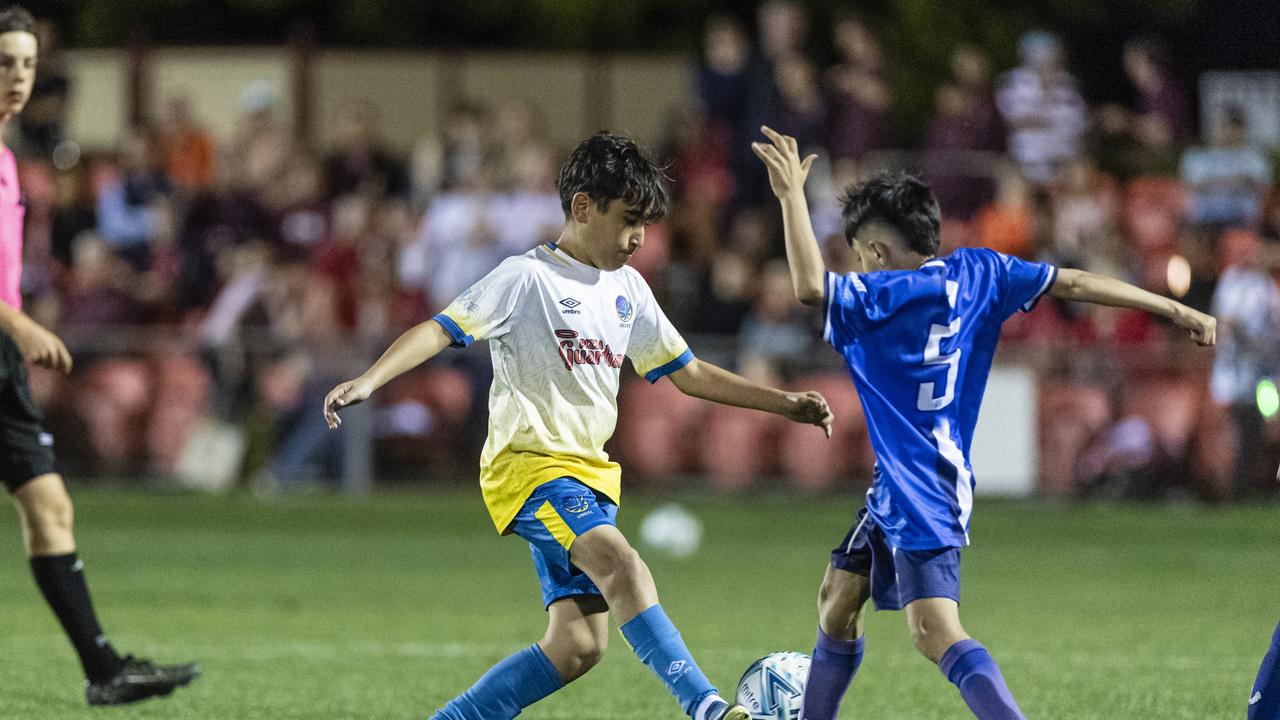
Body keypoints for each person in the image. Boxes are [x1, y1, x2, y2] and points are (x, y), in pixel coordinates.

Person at [323, 131, 834, 720]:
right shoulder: (526, 277)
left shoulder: (628, 289)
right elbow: (441, 327)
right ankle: (711, 710)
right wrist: (369, 380)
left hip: (590, 478)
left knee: (578, 646)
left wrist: (783, 403)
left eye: (645, 223)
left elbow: (688, 372)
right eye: (629, 220)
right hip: (532, 467)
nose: (639, 237)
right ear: (583, 206)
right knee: (624, 566)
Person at [750, 125, 1215, 720]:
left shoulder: (876, 298)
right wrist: (1174, 308)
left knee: (933, 631)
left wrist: (792, 194)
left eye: (858, 252)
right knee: (837, 598)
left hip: (920, 488)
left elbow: (809, 285)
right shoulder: (980, 273)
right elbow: (1071, 281)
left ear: (875, 254)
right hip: (911, 480)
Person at [0, 5, 199, 706]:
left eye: (25, 65)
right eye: (4, 63)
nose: (17, 78)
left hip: (2, 362)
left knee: (50, 506)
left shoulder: (10, 162)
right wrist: (20, 326)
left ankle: (103, 670)